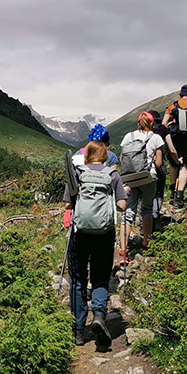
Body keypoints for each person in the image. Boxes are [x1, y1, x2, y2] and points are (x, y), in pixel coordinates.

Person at [63, 141, 127, 347]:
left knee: (77, 280)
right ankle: (99, 315)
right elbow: (122, 205)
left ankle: (78, 331)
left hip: (80, 233)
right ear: (105, 155)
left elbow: (67, 204)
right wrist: (123, 192)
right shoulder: (112, 175)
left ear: (87, 156)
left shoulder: (78, 174)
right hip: (104, 234)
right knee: (100, 277)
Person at [119, 112, 165, 255]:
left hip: (131, 178)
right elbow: (158, 163)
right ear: (152, 123)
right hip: (147, 177)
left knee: (128, 212)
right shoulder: (156, 138)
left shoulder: (128, 136)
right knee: (147, 209)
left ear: (138, 122)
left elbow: (122, 159)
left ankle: (123, 250)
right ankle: (146, 242)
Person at [162, 84, 187, 208]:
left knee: (174, 164)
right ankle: (179, 196)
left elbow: (164, 123)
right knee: (184, 167)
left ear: (181, 94)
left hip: (174, 139)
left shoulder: (172, 106)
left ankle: (173, 189)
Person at [147, 110, 170, 220]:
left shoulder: (140, 131)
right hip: (159, 164)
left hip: (144, 166)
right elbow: (170, 146)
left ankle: (144, 220)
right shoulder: (162, 129)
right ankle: (155, 216)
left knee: (145, 194)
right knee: (159, 191)